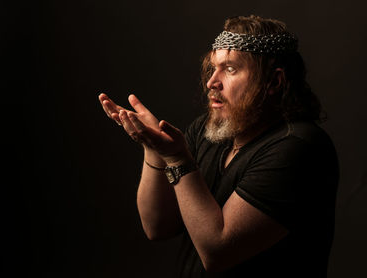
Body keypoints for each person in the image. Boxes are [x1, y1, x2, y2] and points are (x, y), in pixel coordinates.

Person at [99, 15, 338, 278]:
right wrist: (152, 146)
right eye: (212, 68)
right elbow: (157, 227)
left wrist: (177, 159)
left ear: (274, 82)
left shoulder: (299, 148)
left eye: (231, 69)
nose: (212, 82)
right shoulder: (206, 131)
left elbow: (217, 252)